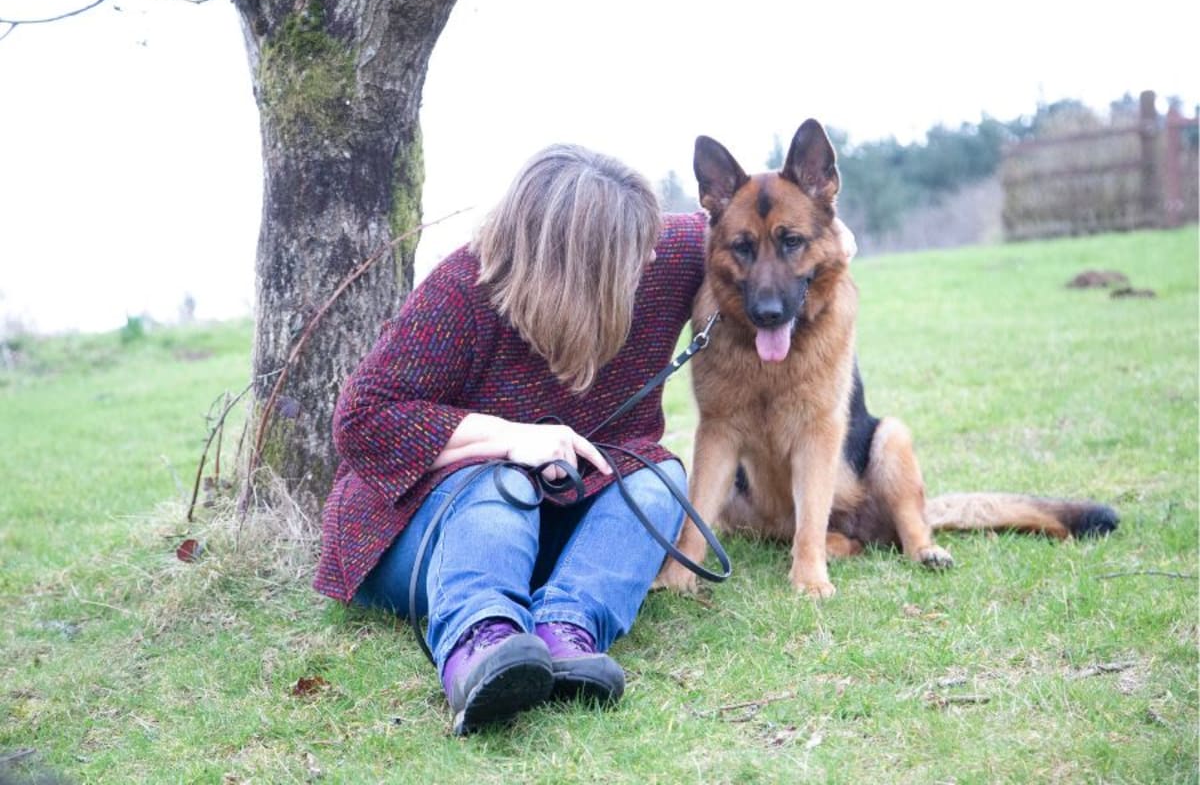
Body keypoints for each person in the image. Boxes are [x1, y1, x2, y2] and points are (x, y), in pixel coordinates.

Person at [314, 143, 852, 735]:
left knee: (660, 481)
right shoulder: (464, 291)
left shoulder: (663, 254)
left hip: (563, 516)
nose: (655, 252)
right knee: (503, 491)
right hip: (430, 528)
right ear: (576, 262)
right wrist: (511, 439)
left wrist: (835, 233)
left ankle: (567, 631)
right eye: (634, 249)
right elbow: (362, 418)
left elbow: (791, 233)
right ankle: (482, 646)